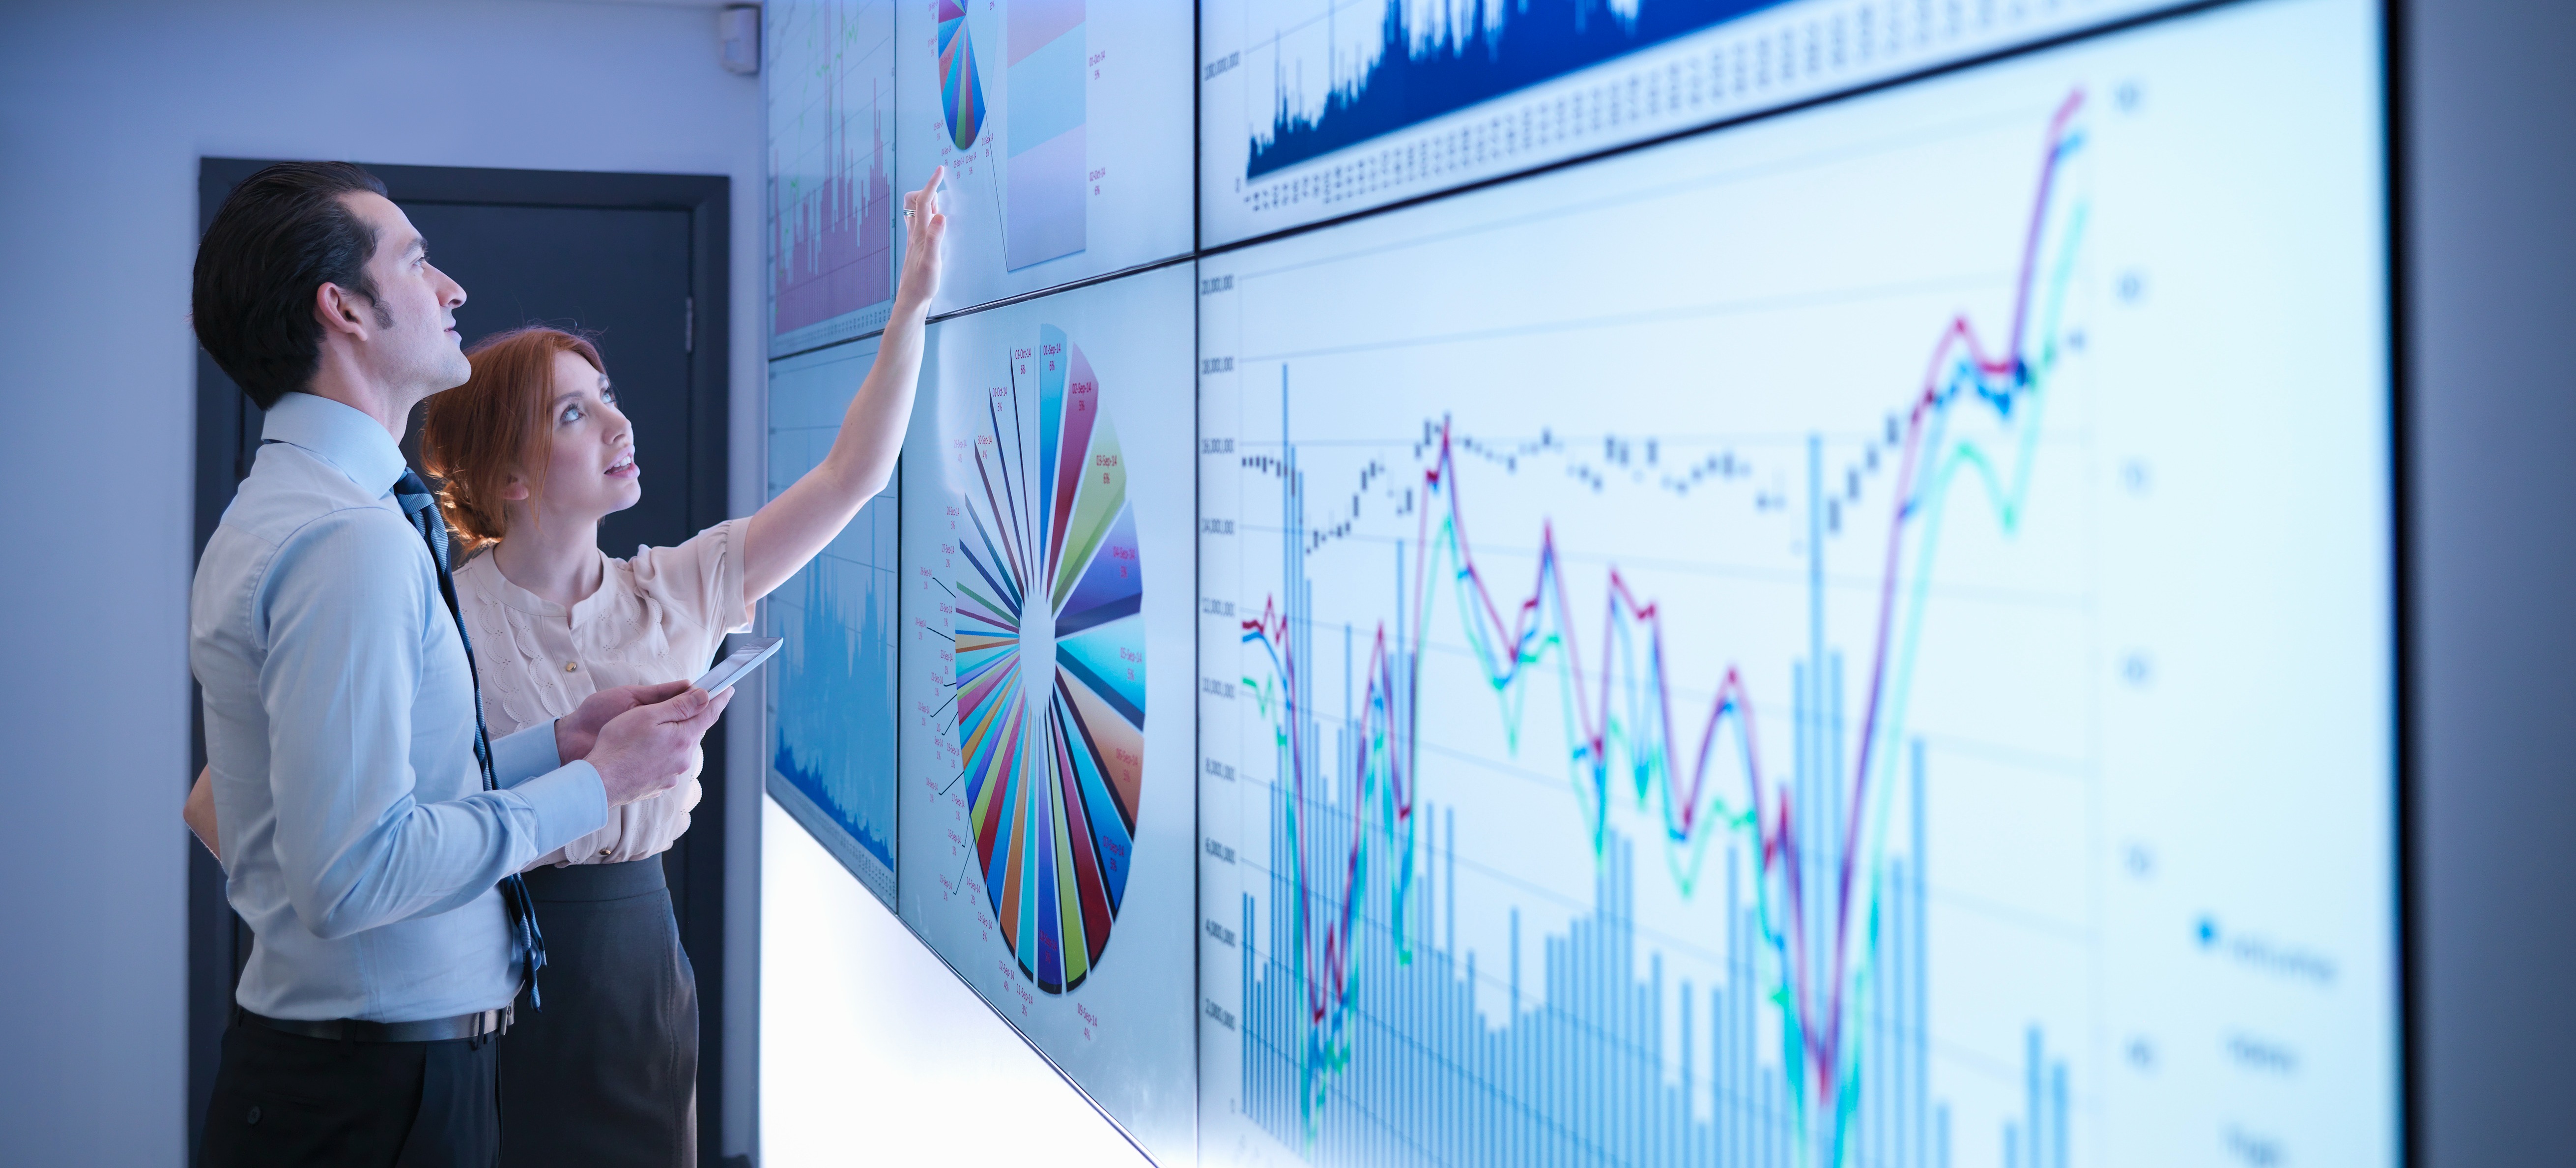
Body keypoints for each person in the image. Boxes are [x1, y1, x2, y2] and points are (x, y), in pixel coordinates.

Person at [186, 166, 948, 1165]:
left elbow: (854, 474)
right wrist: (587, 785)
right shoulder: (363, 547)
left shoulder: (342, 524)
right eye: (416, 261)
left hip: (583, 987)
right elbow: (307, 850)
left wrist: (561, 749)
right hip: (433, 1028)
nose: (451, 289)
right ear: (344, 310)